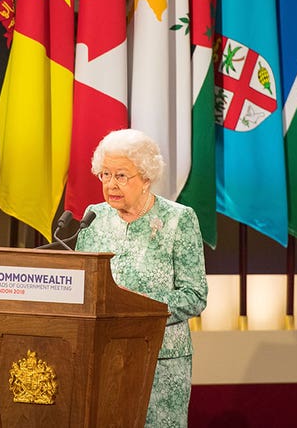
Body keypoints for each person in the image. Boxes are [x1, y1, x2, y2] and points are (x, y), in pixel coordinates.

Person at [75, 129, 208, 428]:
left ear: (146, 177)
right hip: (103, 357)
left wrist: (136, 307)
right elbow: (84, 287)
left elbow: (195, 295)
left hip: (160, 361)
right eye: (105, 174)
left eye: (121, 176)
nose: (111, 184)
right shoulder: (93, 218)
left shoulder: (179, 219)